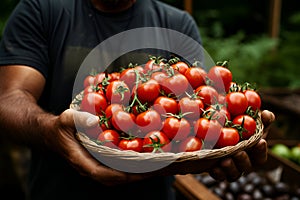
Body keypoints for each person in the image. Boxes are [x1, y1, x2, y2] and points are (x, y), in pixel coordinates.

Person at [0, 0, 275, 199]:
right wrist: (51, 131)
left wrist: (222, 149)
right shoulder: (40, 9)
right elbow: (9, 99)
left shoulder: (176, 23)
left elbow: (209, 106)